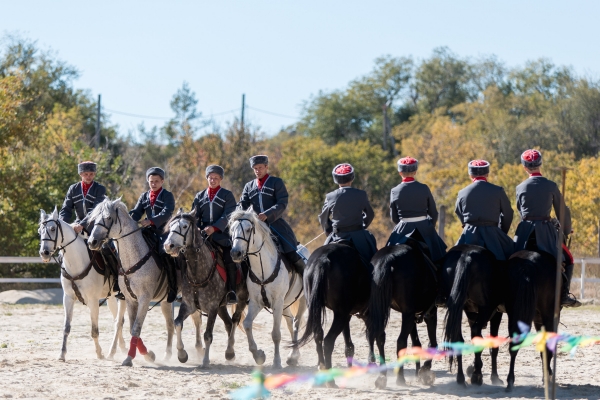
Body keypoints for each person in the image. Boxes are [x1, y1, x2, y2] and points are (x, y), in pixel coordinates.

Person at [513, 149, 581, 307]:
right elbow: (562, 211)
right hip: (546, 232)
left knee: (509, 257)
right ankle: (564, 294)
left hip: (525, 232)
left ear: (525, 167)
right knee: (568, 258)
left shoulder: (520, 187)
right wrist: (565, 230)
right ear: (540, 164)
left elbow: (519, 210)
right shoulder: (551, 185)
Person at [59, 161, 120, 296]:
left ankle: (117, 282)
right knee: (63, 247)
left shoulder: (100, 189)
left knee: (109, 249)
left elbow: (95, 210)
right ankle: (66, 278)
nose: (88, 176)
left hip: (96, 227)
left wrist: (82, 224)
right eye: (86, 174)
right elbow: (66, 209)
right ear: (81, 174)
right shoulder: (73, 189)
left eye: (91, 174)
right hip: (76, 226)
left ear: (94, 174)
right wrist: (63, 224)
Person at [238, 155, 306, 276]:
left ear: (266, 167)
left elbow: (282, 202)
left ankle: (306, 276)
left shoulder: (276, 182)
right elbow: (243, 204)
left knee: (290, 251)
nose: (258, 171)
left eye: (260, 168)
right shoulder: (248, 186)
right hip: (255, 227)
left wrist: (268, 214)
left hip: (276, 224)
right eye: (255, 168)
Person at [191, 165, 238, 304]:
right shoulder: (199, 196)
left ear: (221, 179)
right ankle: (187, 289)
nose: (213, 180)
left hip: (222, 236)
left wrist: (215, 228)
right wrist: (197, 228)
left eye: (216, 178)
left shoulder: (227, 195)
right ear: (207, 178)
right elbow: (195, 215)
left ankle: (232, 291)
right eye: (210, 178)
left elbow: (228, 214)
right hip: (202, 236)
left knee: (229, 258)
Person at [129, 167, 177, 303]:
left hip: (164, 231)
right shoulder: (144, 196)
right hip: (148, 231)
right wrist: (128, 218)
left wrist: (151, 221)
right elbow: (137, 212)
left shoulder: (167, 195)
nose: (154, 184)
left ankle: (172, 288)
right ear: (148, 181)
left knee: (166, 255)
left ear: (162, 181)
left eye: (157, 181)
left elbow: (167, 213)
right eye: (151, 181)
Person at [387, 156, 447, 262]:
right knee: (441, 257)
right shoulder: (424, 188)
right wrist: (429, 227)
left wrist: (402, 224)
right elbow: (433, 213)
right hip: (424, 227)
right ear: (415, 172)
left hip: (403, 227)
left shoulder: (394, 191)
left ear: (400, 173)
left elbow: (394, 217)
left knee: (387, 255)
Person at [454, 160, 515, 261]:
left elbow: (458, 211)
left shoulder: (462, 192)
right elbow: (508, 213)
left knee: (452, 258)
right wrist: (501, 232)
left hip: (469, 234)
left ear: (470, 175)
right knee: (515, 255)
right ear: (487, 174)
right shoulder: (498, 190)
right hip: (493, 233)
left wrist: (466, 225)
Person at [319, 163, 378, 264]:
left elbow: (323, 219)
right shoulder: (361, 194)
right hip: (359, 236)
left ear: (335, 179)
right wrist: (362, 225)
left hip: (337, 235)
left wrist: (329, 230)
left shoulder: (330, 196)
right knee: (373, 261)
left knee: (321, 259)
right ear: (352, 178)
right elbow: (370, 215)